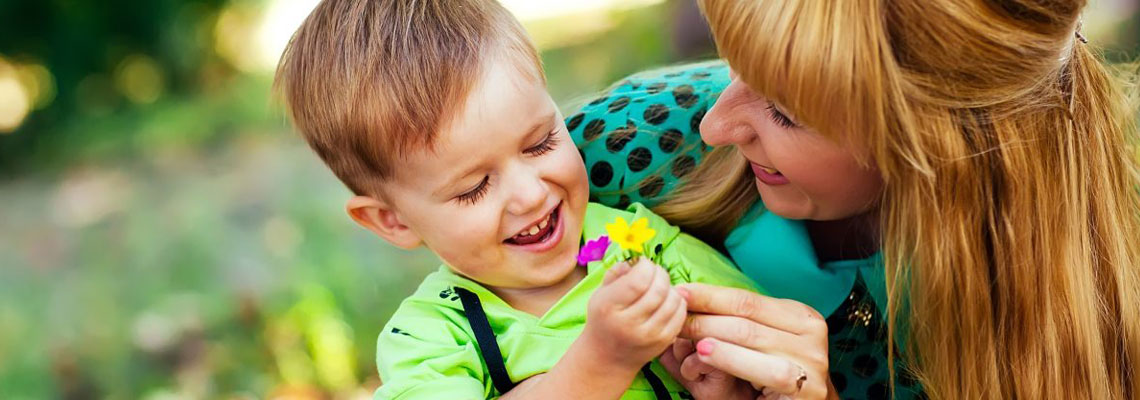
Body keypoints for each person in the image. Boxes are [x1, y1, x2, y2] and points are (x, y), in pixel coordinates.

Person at [572, 0, 1140, 398]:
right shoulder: (621, 150)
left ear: (939, 146)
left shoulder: (1091, 326)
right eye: (736, 63)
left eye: (785, 113)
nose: (716, 126)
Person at [274, 1, 765, 399]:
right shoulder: (431, 338)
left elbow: (768, 346)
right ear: (391, 221)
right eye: (473, 187)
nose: (532, 194)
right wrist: (599, 362)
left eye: (540, 143)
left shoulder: (642, 243)